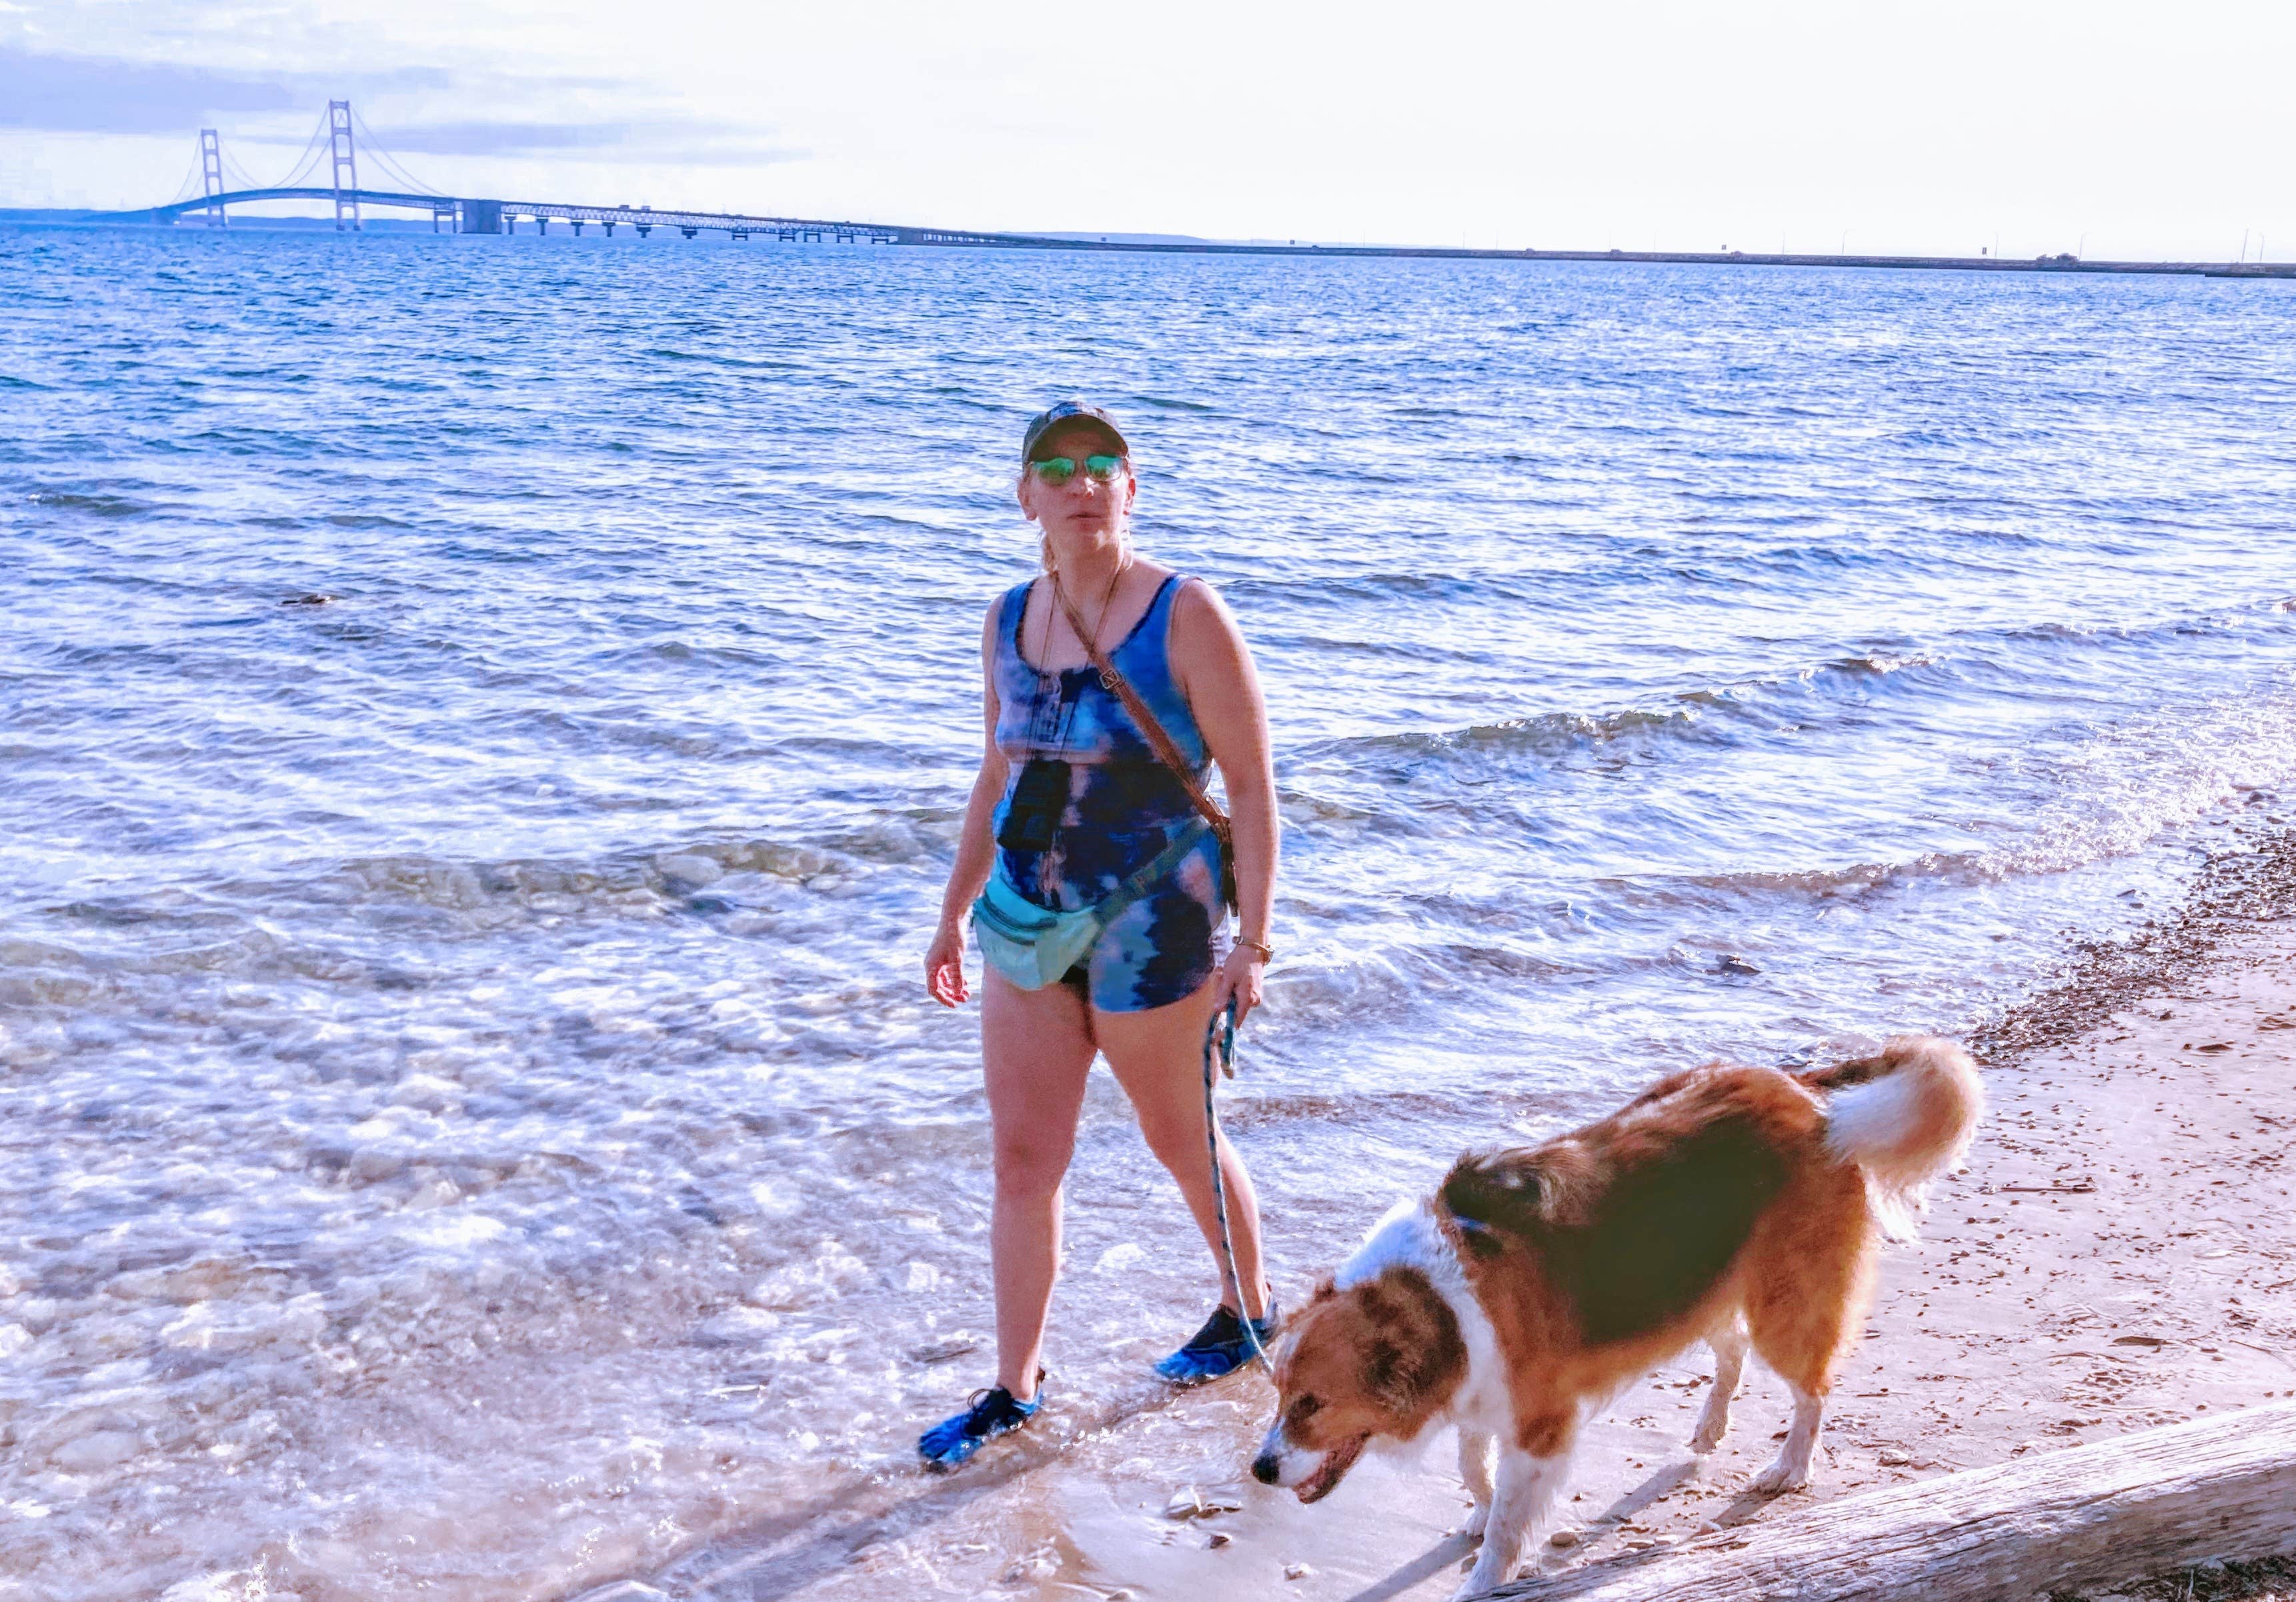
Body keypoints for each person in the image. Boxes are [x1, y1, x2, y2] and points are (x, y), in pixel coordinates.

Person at [917, 401, 1282, 1471]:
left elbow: (1254, 792)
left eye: (1103, 465)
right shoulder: (1004, 618)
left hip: (1153, 926)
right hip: (1025, 924)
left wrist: (1250, 946)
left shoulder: (1186, 615)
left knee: (1180, 1139)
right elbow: (997, 775)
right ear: (1024, 495)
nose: (1082, 482)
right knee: (1025, 1160)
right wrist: (950, 912)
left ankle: (1246, 1311)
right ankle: (1014, 1387)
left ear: (1132, 488)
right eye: (1057, 467)